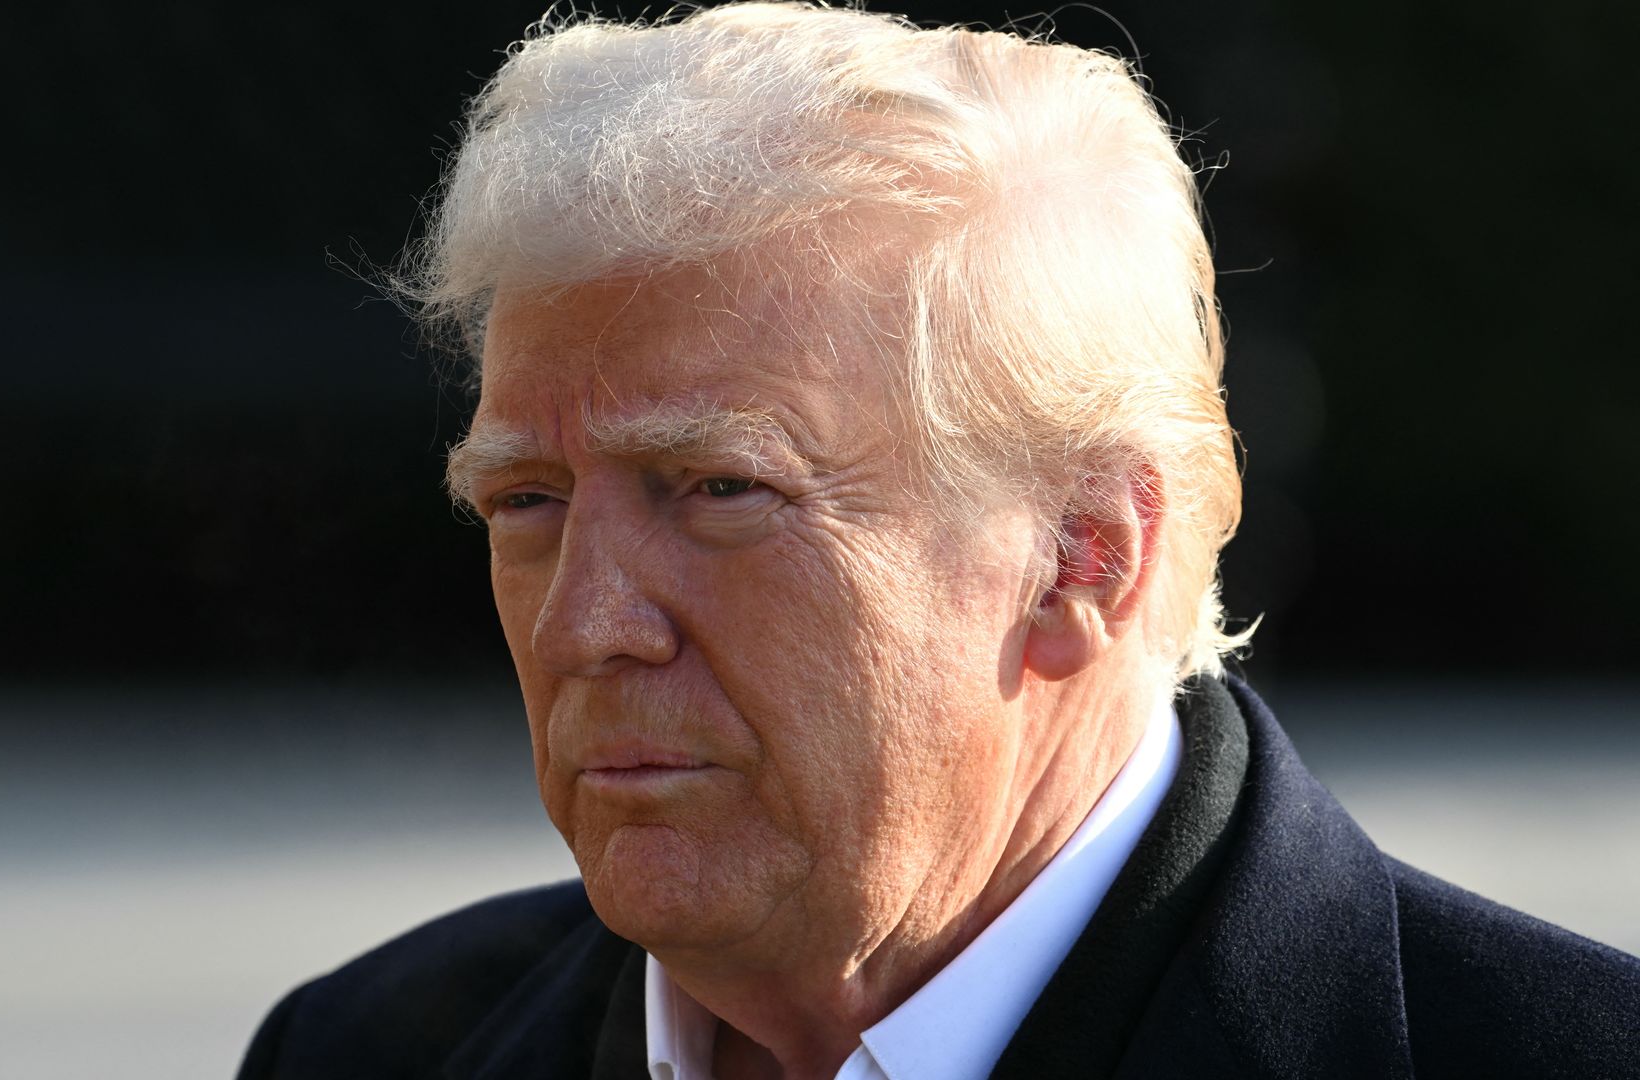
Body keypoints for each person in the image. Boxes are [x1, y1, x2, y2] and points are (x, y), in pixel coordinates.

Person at [236, 5, 1640, 1078]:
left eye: (719, 490)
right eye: (527, 502)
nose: (584, 622)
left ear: (1084, 557)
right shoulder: (365, 1049)